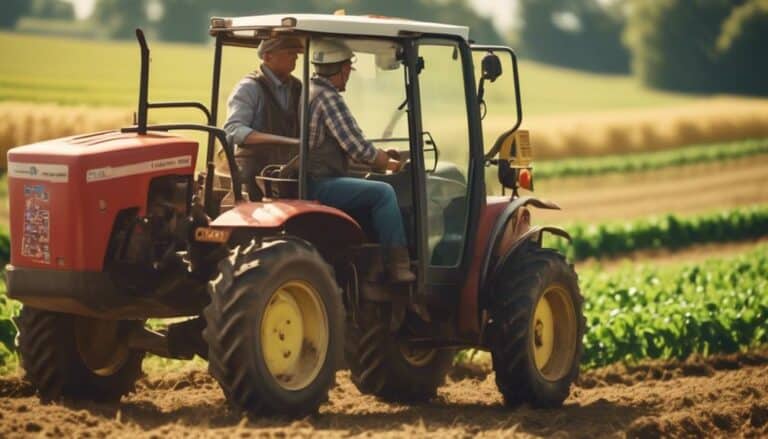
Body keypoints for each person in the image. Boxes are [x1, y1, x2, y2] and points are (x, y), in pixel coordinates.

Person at [307, 38, 415, 283]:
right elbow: (357, 147)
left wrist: (379, 156)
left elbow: (343, 145)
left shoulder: (308, 91)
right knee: (384, 192)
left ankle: (372, 259)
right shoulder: (329, 97)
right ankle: (397, 264)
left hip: (310, 176)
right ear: (344, 69)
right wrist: (389, 164)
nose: (348, 76)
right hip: (320, 183)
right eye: (348, 71)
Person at [223, 36, 304, 200]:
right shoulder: (249, 87)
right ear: (268, 56)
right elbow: (233, 131)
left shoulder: (298, 87)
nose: (296, 57)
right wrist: (288, 141)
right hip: (253, 176)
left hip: (287, 175)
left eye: (297, 53)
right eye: (290, 52)